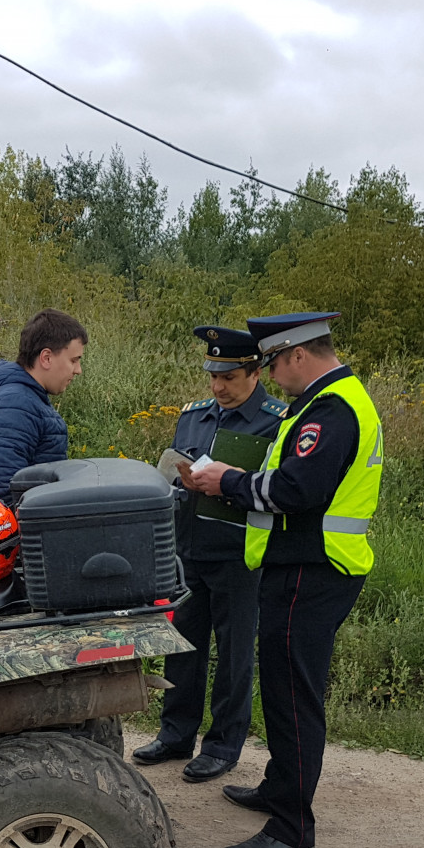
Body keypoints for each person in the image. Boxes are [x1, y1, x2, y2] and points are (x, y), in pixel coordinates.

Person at [179, 312, 383, 848]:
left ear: (296, 355)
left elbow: (296, 488)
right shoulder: (325, 403)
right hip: (300, 567)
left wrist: (229, 481)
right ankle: (278, 786)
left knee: (293, 696)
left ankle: (292, 825)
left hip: (312, 570)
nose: (270, 374)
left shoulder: (333, 410)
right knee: (281, 685)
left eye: (272, 362)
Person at [132, 326, 286, 783]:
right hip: (188, 548)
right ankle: (175, 733)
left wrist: (230, 482)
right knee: (182, 647)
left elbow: (277, 490)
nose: (218, 387)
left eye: (230, 377)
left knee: (235, 652)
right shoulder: (195, 416)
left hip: (240, 555)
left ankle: (222, 745)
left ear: (255, 373)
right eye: (213, 376)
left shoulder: (276, 421)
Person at [0, 308, 87, 504]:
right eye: (73, 360)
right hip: (23, 532)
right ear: (46, 358)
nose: (78, 370)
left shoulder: (28, 399)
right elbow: (4, 494)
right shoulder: (15, 405)